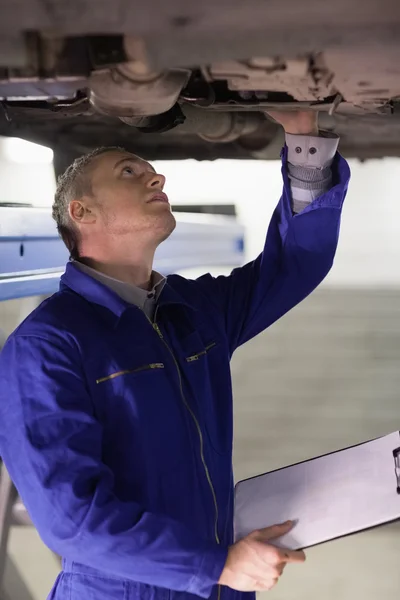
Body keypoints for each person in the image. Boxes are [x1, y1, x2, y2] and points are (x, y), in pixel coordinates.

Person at [0, 110, 350, 600]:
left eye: (150, 169)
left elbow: (294, 263)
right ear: (82, 212)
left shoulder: (191, 311)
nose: (156, 176)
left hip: (214, 584)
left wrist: (304, 138)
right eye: (129, 171)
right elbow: (71, 517)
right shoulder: (48, 344)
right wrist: (215, 564)